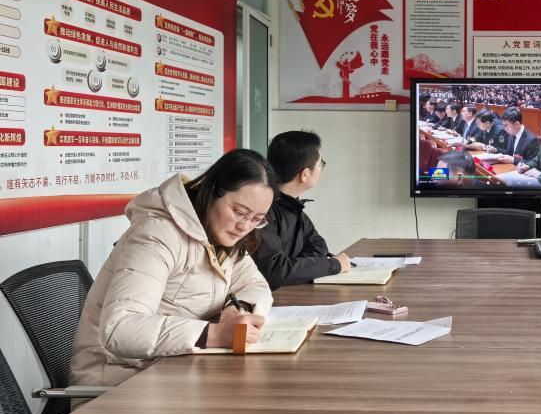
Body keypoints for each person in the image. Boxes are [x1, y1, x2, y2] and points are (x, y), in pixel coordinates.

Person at [69, 149, 277, 388]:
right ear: (211, 192)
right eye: (239, 212)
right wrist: (215, 334)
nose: (244, 226)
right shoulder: (157, 234)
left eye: (256, 219)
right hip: (120, 383)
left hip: (174, 369)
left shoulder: (220, 233)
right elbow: (120, 328)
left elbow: (255, 284)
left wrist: (236, 309)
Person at [252, 130, 350, 290]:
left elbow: (318, 246)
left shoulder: (292, 205)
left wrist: (296, 267)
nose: (321, 169)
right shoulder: (262, 210)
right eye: (320, 164)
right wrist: (333, 265)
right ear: (304, 174)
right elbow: (276, 271)